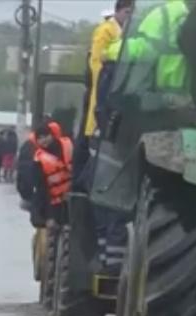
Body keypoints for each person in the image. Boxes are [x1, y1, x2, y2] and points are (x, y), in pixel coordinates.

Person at [75, 0, 134, 187]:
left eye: (131, 13)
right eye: (126, 12)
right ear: (117, 11)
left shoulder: (126, 31)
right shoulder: (105, 30)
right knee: (89, 142)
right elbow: (97, 63)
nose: (129, 17)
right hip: (101, 91)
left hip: (108, 93)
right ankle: (79, 183)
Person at [30, 121, 73, 229]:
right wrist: (49, 216)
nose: (43, 140)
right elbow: (42, 189)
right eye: (40, 138)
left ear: (52, 135)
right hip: (53, 203)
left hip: (73, 198)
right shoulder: (38, 161)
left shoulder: (68, 145)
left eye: (46, 136)